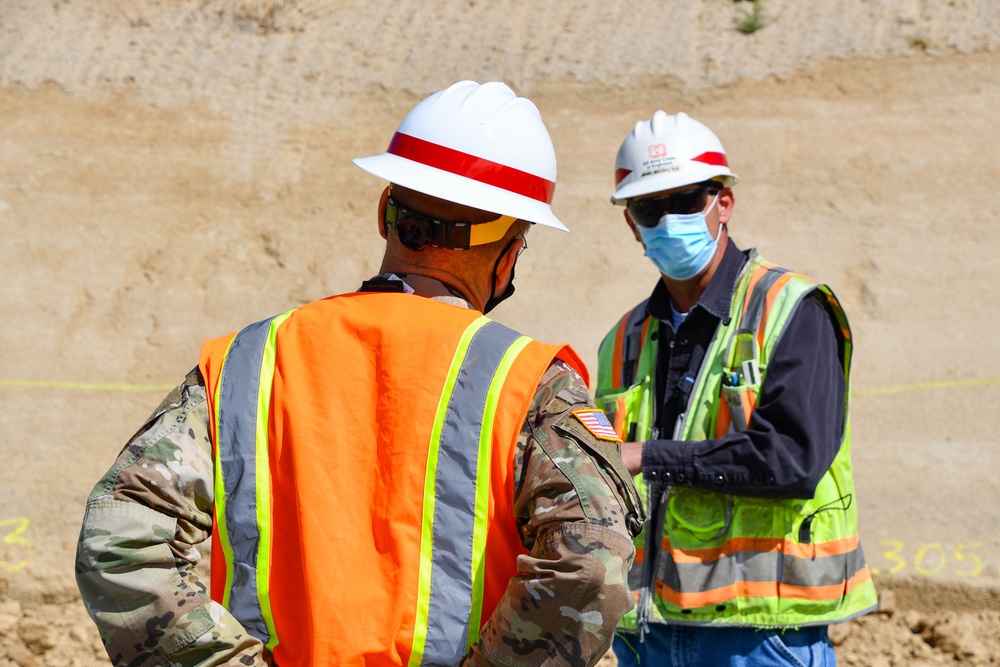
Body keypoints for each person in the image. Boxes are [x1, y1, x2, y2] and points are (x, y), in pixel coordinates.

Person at [75, 81, 644, 667]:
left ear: (384, 212)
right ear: (509, 250)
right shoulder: (530, 384)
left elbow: (119, 540)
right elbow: (591, 562)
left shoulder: (244, 364)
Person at [594, 111, 878, 666]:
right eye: (650, 208)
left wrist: (646, 457)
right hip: (644, 633)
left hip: (759, 637)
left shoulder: (792, 310)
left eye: (686, 201)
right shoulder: (622, 339)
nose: (668, 219)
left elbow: (792, 459)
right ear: (631, 223)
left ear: (723, 202)